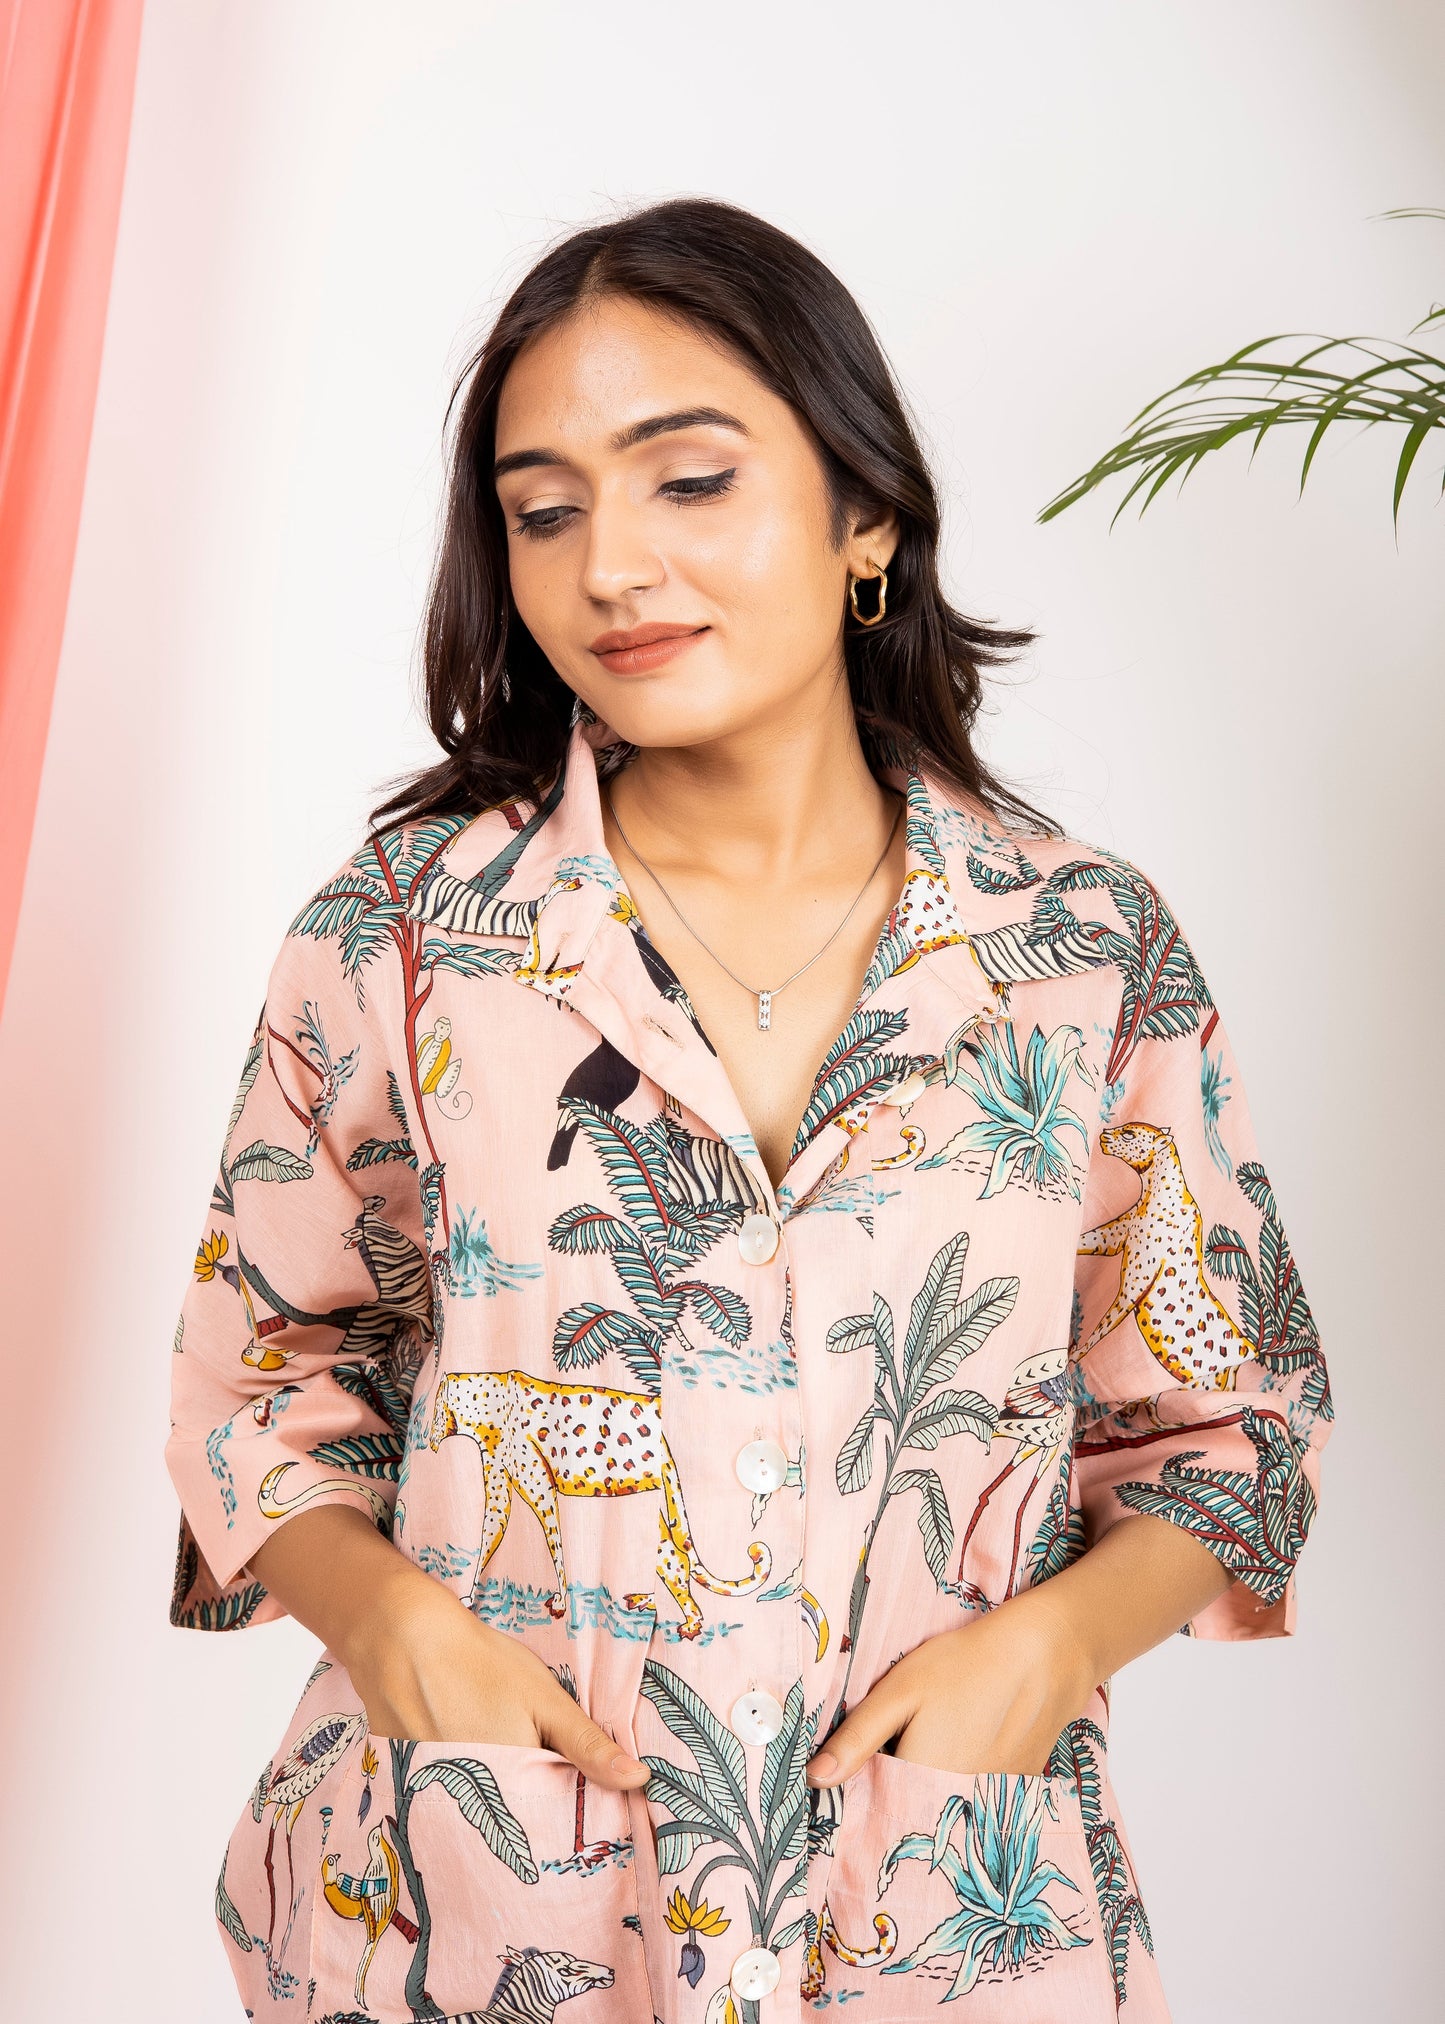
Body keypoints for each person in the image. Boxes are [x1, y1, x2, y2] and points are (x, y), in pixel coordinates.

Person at [165, 196, 1332, 2024]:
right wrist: (394, 1632)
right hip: (483, 1908)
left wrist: (1047, 1651)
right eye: (544, 511)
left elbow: (1232, 1420)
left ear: (866, 514)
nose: (611, 566)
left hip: (939, 1921)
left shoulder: (1082, 951)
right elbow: (263, 1371)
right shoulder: (404, 934)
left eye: (688, 481)